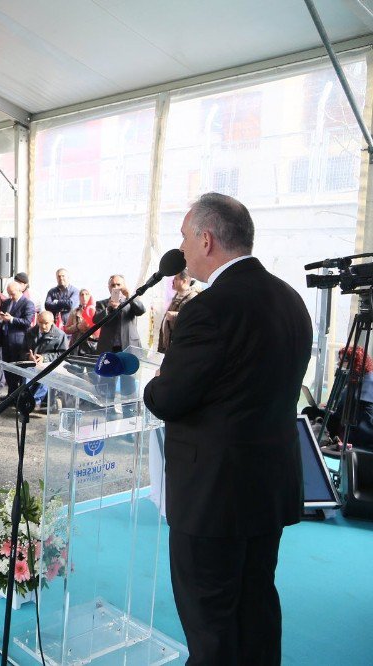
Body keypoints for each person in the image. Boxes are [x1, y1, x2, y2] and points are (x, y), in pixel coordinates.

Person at [143, 193, 311, 665]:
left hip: (214, 498)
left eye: (184, 237)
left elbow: (169, 399)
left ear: (206, 238)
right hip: (267, 487)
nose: (182, 247)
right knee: (255, 608)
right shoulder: (291, 299)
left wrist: (153, 383)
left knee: (211, 622)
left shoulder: (209, 308)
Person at [0, 279, 36, 395]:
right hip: (5, 339)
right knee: (7, 369)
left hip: (18, 342)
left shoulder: (28, 303)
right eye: (9, 293)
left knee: (17, 370)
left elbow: (27, 322)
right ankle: (10, 394)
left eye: (12, 293)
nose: (10, 296)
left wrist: (12, 319)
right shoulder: (7, 302)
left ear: (20, 291)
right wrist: (1, 317)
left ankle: (18, 395)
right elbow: (4, 317)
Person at [94, 275, 145, 353]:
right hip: (108, 348)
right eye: (113, 285)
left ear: (124, 286)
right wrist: (108, 308)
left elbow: (141, 311)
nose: (116, 287)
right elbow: (96, 320)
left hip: (130, 345)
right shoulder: (102, 303)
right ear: (109, 287)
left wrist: (129, 297)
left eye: (118, 284)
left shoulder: (131, 301)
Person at [157, 269, 198, 353]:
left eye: (176, 279)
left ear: (184, 281)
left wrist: (175, 316)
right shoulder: (178, 294)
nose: (173, 281)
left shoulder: (192, 297)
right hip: (168, 345)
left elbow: (191, 320)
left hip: (177, 347)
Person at [63, 288, 98, 355]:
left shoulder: (96, 311)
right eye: (82, 295)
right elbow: (66, 329)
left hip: (92, 345)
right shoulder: (74, 312)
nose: (84, 297)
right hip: (77, 346)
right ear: (79, 297)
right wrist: (77, 326)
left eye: (86, 294)